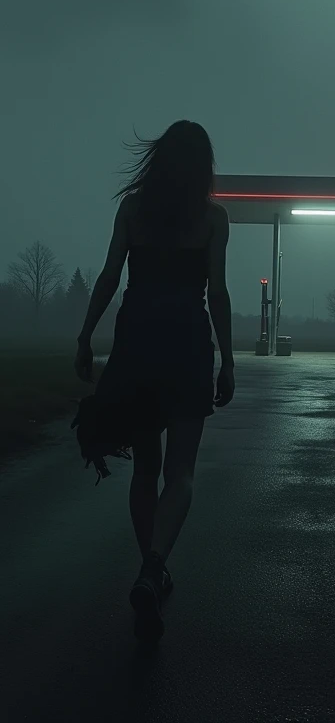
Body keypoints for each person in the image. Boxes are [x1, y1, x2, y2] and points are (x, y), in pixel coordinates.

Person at [74, 120, 235, 642]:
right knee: (181, 472)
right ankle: (154, 567)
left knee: (146, 468)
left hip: (137, 341)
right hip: (186, 343)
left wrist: (84, 336)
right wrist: (228, 361)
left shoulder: (132, 210)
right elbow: (218, 293)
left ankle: (150, 566)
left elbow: (109, 276)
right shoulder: (213, 218)